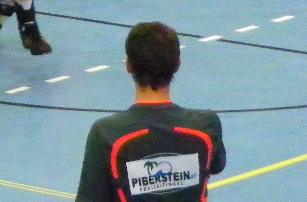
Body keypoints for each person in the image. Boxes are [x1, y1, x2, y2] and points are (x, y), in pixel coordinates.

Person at [75, 22, 225, 202]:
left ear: (128, 66)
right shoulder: (206, 124)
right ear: (177, 65)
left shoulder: (106, 132)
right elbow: (216, 166)